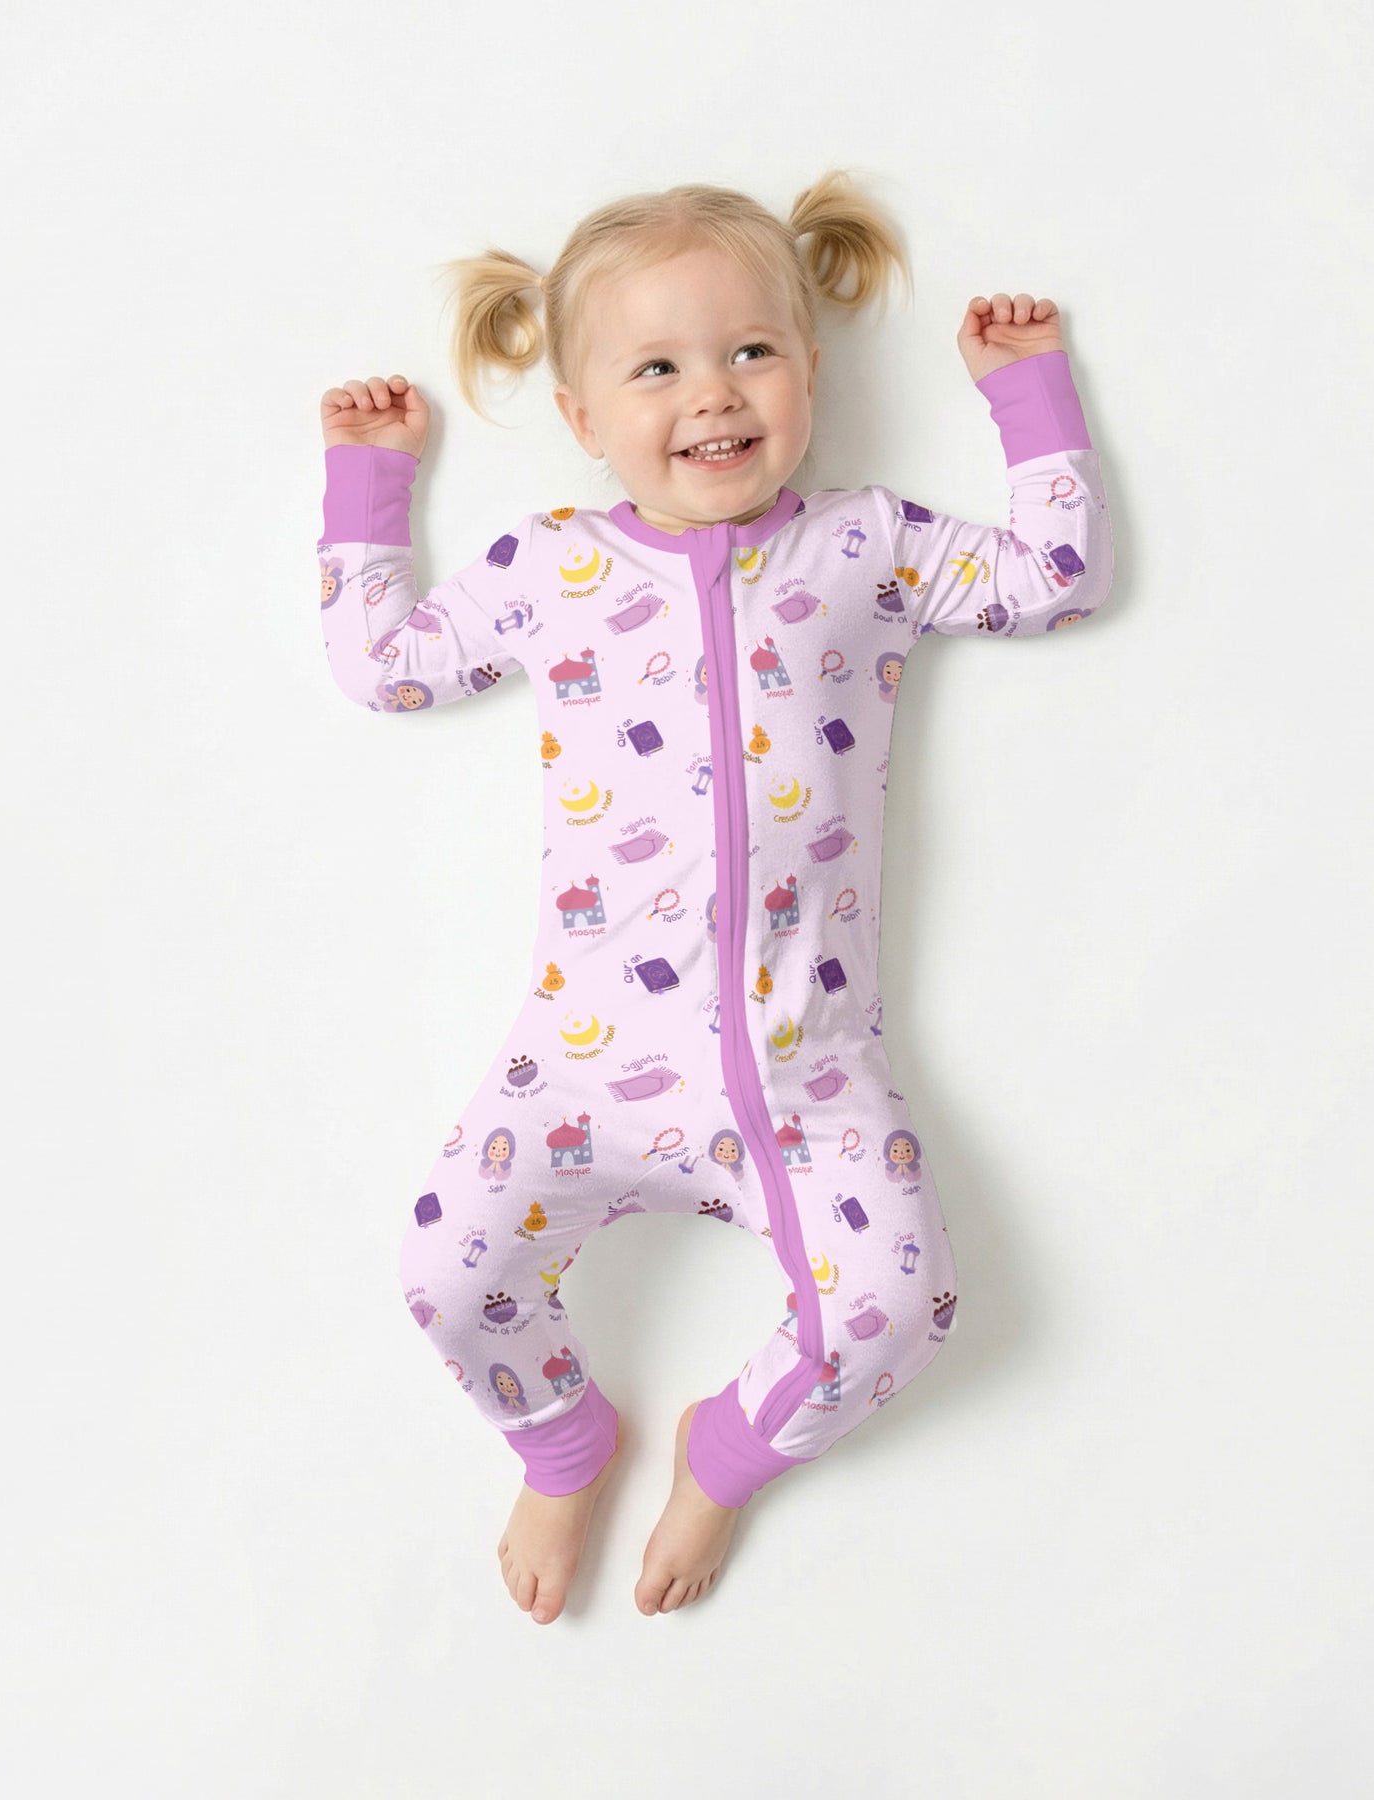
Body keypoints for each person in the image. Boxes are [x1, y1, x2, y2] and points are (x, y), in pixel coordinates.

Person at [314, 170, 1114, 1626]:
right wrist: (371, 485)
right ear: (581, 416)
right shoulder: (552, 564)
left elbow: (1055, 576)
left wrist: (1027, 391)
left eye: (752, 351)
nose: (713, 395)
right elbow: (385, 669)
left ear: (811, 368)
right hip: (583, 1062)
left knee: (897, 1307)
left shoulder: (866, 543)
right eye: (657, 369)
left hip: (807, 1066)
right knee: (445, 1275)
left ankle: (724, 1451)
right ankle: (560, 1439)